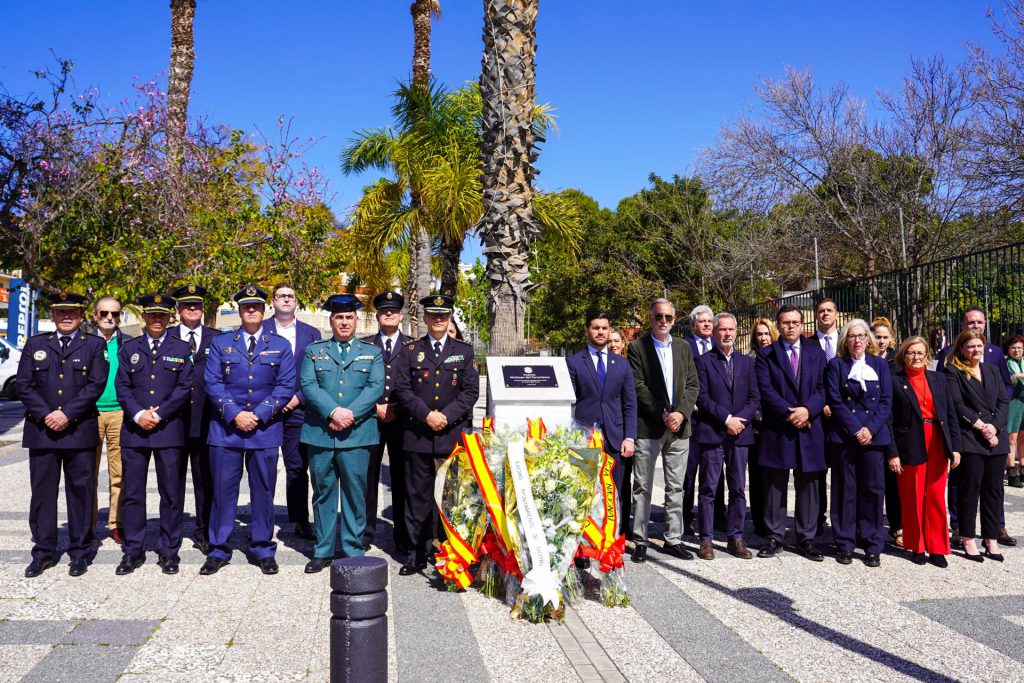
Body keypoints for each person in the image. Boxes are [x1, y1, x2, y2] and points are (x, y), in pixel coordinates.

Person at [200, 285, 295, 576]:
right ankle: (218, 549)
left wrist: (259, 414)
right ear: (239, 311)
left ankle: (263, 548)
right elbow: (212, 383)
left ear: (264, 310)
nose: (251, 310)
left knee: (263, 491)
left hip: (264, 430)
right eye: (246, 307)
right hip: (226, 429)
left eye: (256, 306)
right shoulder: (221, 343)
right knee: (222, 491)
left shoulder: (280, 345)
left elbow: (286, 386)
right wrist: (235, 414)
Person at [17, 292, 109, 577]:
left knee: (80, 492)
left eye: (72, 312)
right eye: (60, 312)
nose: (66, 316)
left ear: (82, 316)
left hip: (79, 429)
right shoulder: (35, 344)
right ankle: (43, 552)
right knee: (42, 493)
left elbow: (96, 384)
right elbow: (24, 384)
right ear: (54, 315)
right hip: (42, 430)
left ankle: (79, 551)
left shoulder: (93, 345)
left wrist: (67, 413)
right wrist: (47, 414)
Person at [393, 294, 479, 576]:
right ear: (426, 319)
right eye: (433, 315)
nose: (439, 319)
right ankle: (417, 553)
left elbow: (470, 392)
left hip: (451, 436)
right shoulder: (410, 350)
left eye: (444, 315)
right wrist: (427, 415)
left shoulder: (464, 352)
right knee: (416, 497)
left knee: (451, 497)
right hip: (417, 435)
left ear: (450, 317)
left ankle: (450, 551)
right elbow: (402, 390)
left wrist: (447, 416)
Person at [300, 295, 384, 572]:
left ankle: (352, 549)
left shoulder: (372, 353)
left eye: (349, 317)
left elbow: (375, 387)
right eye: (339, 317)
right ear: (331, 320)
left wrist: (348, 415)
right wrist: (333, 412)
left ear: (356, 320)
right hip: (321, 434)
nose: (344, 322)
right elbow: (309, 384)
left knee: (354, 493)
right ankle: (322, 550)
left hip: (357, 435)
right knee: (322, 493)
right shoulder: (315, 350)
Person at [112, 294, 194, 575]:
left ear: (170, 317)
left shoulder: (181, 349)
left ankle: (169, 551)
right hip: (135, 431)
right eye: (152, 315)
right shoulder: (130, 348)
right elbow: (122, 386)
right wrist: (138, 414)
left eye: (162, 315)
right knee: (133, 493)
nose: (157, 320)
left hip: (169, 429)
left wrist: (158, 414)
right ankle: (133, 550)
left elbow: (184, 388)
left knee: (171, 493)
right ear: (144, 317)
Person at [937, 307, 1015, 547]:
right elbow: (950, 399)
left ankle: (994, 531)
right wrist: (982, 426)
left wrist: (996, 426)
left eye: (980, 322)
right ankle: (961, 528)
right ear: (963, 325)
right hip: (969, 432)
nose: (975, 325)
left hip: (995, 432)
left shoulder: (994, 355)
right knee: (965, 486)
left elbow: (1005, 393)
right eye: (971, 322)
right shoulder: (949, 358)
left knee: (993, 489)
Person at [755, 305, 828, 561]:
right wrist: (790, 414)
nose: (791, 326)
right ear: (778, 325)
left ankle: (806, 537)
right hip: (779, 427)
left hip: (809, 427)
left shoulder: (816, 353)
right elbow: (765, 389)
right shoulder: (766, 354)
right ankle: (775, 535)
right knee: (775, 483)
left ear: (802, 324)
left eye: (795, 322)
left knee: (808, 483)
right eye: (786, 322)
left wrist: (807, 410)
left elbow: (822, 388)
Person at [627, 299, 697, 562]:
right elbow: (638, 385)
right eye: (659, 316)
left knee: (676, 487)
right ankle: (641, 540)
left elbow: (692, 384)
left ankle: (673, 538)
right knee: (642, 487)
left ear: (675, 319)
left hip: (680, 428)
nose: (663, 321)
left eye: (668, 317)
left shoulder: (683, 347)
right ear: (651, 317)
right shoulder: (637, 347)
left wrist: (681, 413)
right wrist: (662, 413)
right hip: (649, 426)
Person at [887, 337, 961, 567]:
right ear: (903, 355)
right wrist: (892, 453)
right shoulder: (894, 381)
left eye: (921, 353)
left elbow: (950, 415)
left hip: (938, 440)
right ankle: (917, 545)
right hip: (909, 443)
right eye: (911, 352)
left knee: (937, 496)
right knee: (913, 496)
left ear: (927, 355)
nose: (916, 357)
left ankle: (937, 547)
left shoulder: (938, 379)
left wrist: (955, 447)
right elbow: (888, 421)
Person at [567, 311, 638, 551]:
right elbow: (571, 402)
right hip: (583, 439)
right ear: (587, 330)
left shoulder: (622, 365)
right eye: (596, 327)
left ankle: (612, 540)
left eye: (604, 328)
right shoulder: (575, 362)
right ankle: (582, 545)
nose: (600, 332)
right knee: (584, 493)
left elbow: (630, 404)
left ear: (609, 331)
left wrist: (629, 437)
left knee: (614, 492)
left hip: (615, 440)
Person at [824, 319, 893, 567]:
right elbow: (835, 400)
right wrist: (856, 429)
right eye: (852, 336)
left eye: (862, 336)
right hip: (845, 437)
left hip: (873, 438)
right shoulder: (836, 365)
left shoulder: (880, 364)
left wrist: (870, 429)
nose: (857, 341)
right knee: (845, 490)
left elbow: (886, 401)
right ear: (845, 340)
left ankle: (872, 543)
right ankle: (844, 542)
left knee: (873, 491)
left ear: (868, 339)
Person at [692, 313, 759, 560]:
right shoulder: (703, 361)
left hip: (740, 434)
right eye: (722, 329)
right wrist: (726, 419)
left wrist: (739, 420)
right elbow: (702, 398)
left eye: (731, 330)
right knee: (709, 488)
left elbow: (755, 397)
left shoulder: (746, 362)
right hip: (713, 433)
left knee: (738, 488)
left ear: (736, 332)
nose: (726, 334)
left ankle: (735, 537)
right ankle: (706, 539)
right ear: (714, 332)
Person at [263, 283, 322, 540]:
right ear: (273, 301)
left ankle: (300, 520)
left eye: (290, 296)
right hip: (265, 410)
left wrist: (297, 398)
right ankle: (262, 521)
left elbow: (317, 372)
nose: (286, 300)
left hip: (298, 409)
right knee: (262, 467)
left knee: (297, 467)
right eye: (281, 296)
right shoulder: (260, 329)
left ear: (296, 302)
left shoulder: (311, 333)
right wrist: (271, 402)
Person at [361, 291, 414, 553]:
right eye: (384, 311)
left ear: (401, 315)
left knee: (402, 478)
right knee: (368, 478)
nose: (389, 314)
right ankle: (365, 532)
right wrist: (375, 406)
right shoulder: (365, 345)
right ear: (378, 315)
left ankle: (402, 535)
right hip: (371, 419)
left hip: (403, 420)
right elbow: (356, 384)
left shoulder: (414, 346)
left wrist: (396, 407)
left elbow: (418, 385)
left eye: (393, 310)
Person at [170, 284, 218, 554]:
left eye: (197, 305)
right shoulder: (166, 337)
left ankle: (204, 531)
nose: (192, 309)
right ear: (177, 310)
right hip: (173, 423)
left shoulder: (217, 338)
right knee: (172, 483)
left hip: (206, 421)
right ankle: (172, 533)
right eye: (187, 305)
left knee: (205, 482)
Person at [682, 304, 725, 535]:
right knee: (688, 474)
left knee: (716, 473)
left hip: (715, 420)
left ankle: (718, 517)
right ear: (693, 325)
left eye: (710, 321)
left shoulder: (720, 345)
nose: (707, 324)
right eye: (702, 321)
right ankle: (685, 517)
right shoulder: (684, 347)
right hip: (692, 419)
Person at [91, 296, 128, 545]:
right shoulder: (86, 342)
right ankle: (89, 523)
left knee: (119, 473)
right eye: (104, 313)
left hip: (119, 413)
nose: (109, 318)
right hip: (89, 413)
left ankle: (116, 523)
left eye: (114, 314)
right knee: (87, 473)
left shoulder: (127, 344)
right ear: (95, 316)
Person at [870, 315, 902, 548]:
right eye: (877, 337)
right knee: (871, 482)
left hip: (893, 426)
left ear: (891, 339)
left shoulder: (897, 362)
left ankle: (897, 526)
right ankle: (868, 525)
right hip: (870, 426)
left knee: (893, 483)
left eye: (884, 337)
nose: (881, 341)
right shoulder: (864, 359)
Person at [747, 318, 778, 538]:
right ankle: (760, 522)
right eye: (759, 334)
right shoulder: (749, 360)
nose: (763, 338)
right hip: (757, 427)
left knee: (775, 479)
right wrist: (758, 416)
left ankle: (774, 521)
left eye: (767, 333)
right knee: (757, 478)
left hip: (777, 425)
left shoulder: (779, 357)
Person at [812, 297, 839, 537]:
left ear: (837, 314)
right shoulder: (808, 343)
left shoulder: (848, 341)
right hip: (818, 417)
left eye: (829, 310)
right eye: (821, 311)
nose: (825, 314)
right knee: (818, 471)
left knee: (843, 472)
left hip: (844, 417)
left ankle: (842, 519)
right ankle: (818, 518)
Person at [1005, 335, 1024, 488]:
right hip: (1013, 402)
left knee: (1023, 438)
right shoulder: (1006, 364)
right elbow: (1006, 381)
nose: (1016, 350)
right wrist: (1016, 376)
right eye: (1013, 347)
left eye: (1019, 347)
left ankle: (1022, 467)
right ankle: (1012, 471)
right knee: (1012, 437)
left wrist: (1019, 375)